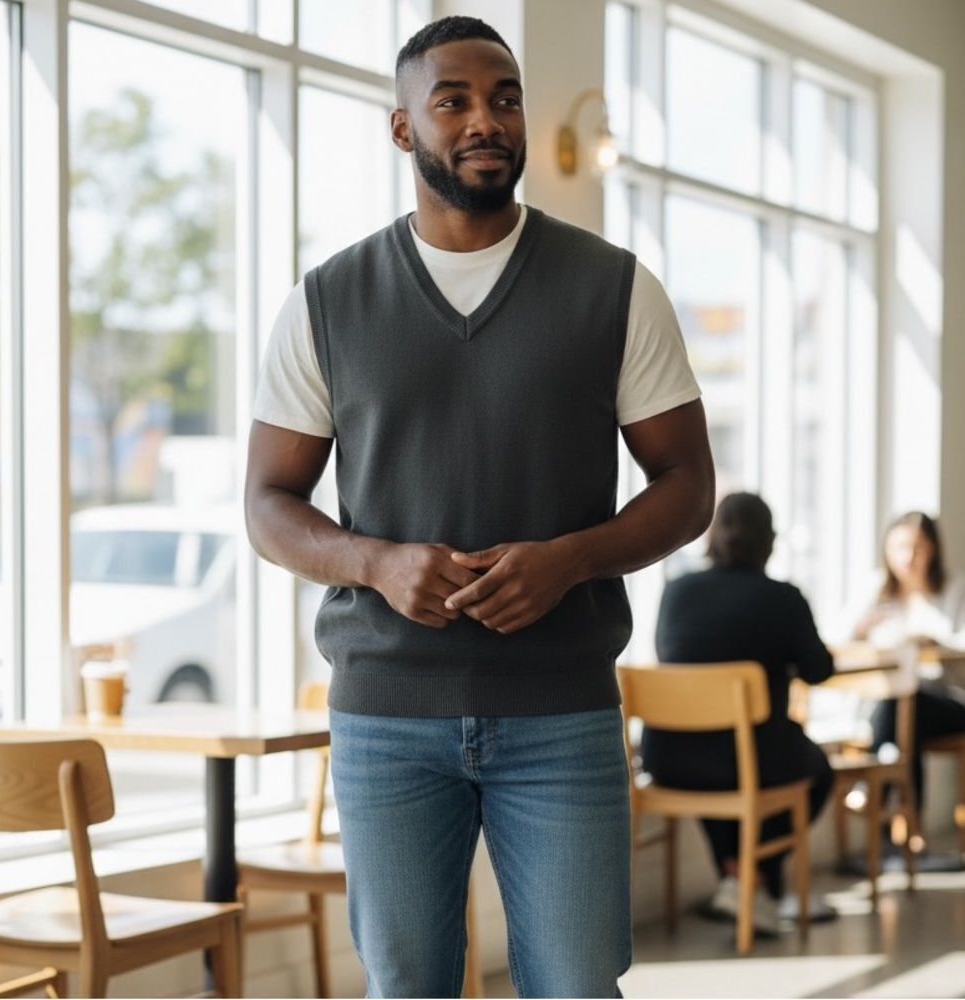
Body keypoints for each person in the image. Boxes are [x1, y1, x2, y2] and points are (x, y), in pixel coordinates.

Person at [245, 16, 714, 998]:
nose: (483, 119)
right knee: (406, 985)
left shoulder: (616, 290)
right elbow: (267, 503)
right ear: (401, 128)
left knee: (578, 985)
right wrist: (373, 562)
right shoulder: (326, 302)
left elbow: (686, 486)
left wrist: (572, 559)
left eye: (502, 97)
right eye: (450, 100)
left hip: (562, 710)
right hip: (385, 716)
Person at [640, 492, 835, 936]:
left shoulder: (677, 591)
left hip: (669, 758)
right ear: (770, 541)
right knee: (818, 771)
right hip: (748, 761)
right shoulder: (782, 598)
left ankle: (734, 878)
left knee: (720, 761)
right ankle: (757, 878)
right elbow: (818, 670)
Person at [849, 511, 965, 809]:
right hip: (892, 705)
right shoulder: (876, 591)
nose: (908, 558)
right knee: (902, 714)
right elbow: (833, 642)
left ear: (933, 550)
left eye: (918, 548)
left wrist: (934, 643)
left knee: (903, 706)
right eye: (899, 548)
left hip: (948, 700)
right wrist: (861, 629)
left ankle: (880, 790)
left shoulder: (955, 589)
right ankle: (909, 827)